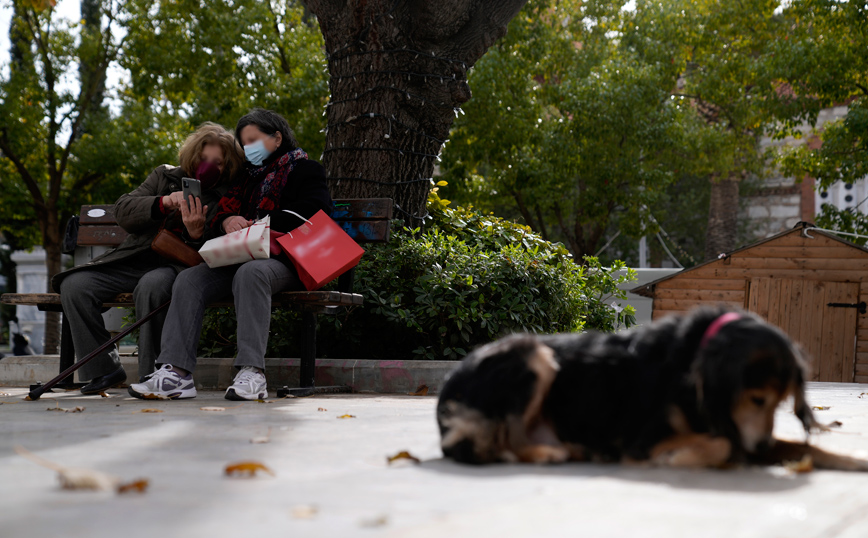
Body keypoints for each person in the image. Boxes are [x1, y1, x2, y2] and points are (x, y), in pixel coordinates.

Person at [129, 108, 332, 401]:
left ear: (277, 138)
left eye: (254, 140)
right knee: (189, 279)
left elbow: (315, 212)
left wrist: (262, 222)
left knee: (251, 274)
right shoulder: (245, 179)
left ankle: (252, 372)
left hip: (284, 260)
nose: (249, 149)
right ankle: (176, 374)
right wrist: (226, 220)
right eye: (244, 143)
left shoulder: (305, 169)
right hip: (240, 257)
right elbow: (221, 212)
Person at [52, 123, 244, 394]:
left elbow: (209, 257)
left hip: (175, 267)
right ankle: (104, 370)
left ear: (228, 168)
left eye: (218, 163)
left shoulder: (224, 198)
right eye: (204, 159)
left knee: (152, 286)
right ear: (192, 155)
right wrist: (163, 202)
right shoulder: (164, 176)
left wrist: (196, 232)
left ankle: (153, 376)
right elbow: (123, 210)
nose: (209, 167)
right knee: (75, 285)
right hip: (133, 260)